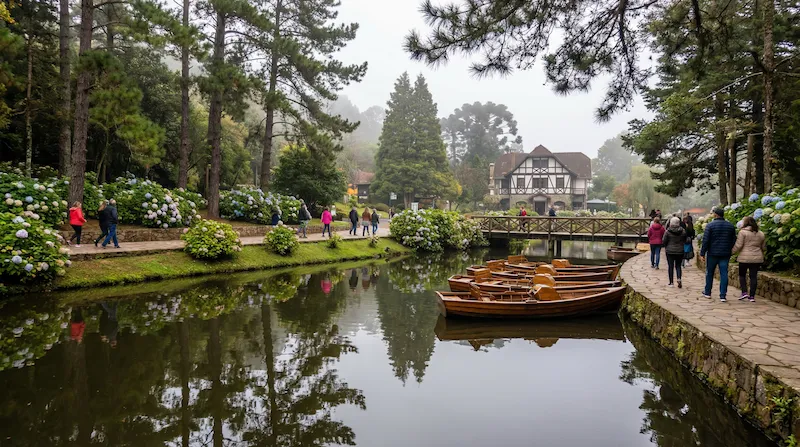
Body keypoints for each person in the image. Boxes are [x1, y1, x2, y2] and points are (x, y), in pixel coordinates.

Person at [700, 208, 737, 302]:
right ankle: (723, 295)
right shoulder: (730, 226)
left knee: (710, 273)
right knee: (724, 273)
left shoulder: (710, 226)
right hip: (725, 253)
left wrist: (702, 253)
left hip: (712, 253)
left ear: (716, 215)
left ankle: (707, 292)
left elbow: (706, 240)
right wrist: (729, 249)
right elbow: (733, 240)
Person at [732, 216, 766, 302]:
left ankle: (744, 292)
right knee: (753, 276)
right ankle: (752, 296)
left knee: (742, 275)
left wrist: (731, 252)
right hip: (757, 258)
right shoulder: (761, 233)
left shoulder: (742, 232)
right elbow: (764, 247)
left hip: (744, 258)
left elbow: (739, 245)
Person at [662, 217, 687, 288]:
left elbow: (664, 241)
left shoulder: (667, 231)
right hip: (680, 251)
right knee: (678, 266)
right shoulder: (683, 231)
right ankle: (679, 278)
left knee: (671, 266)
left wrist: (666, 246)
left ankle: (671, 282)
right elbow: (685, 240)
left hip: (670, 251)